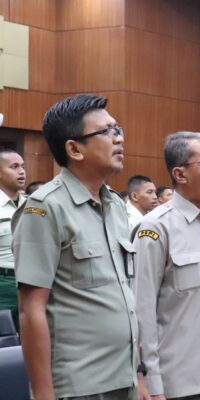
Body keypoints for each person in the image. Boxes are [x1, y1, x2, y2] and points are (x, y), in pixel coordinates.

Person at [13, 94, 137, 400]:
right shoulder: (45, 208)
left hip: (124, 377)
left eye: (118, 129)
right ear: (74, 149)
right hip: (80, 385)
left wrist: (140, 373)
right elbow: (31, 310)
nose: (119, 138)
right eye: (107, 131)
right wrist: (43, 394)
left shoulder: (116, 206)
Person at [134, 131, 200, 400]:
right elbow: (142, 310)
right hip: (177, 383)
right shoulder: (156, 227)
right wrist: (150, 381)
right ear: (180, 174)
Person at [0, 149, 26, 330]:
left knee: (29, 338)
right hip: (3, 282)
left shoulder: (34, 204)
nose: (21, 171)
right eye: (14, 167)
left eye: (23, 166)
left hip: (30, 281)